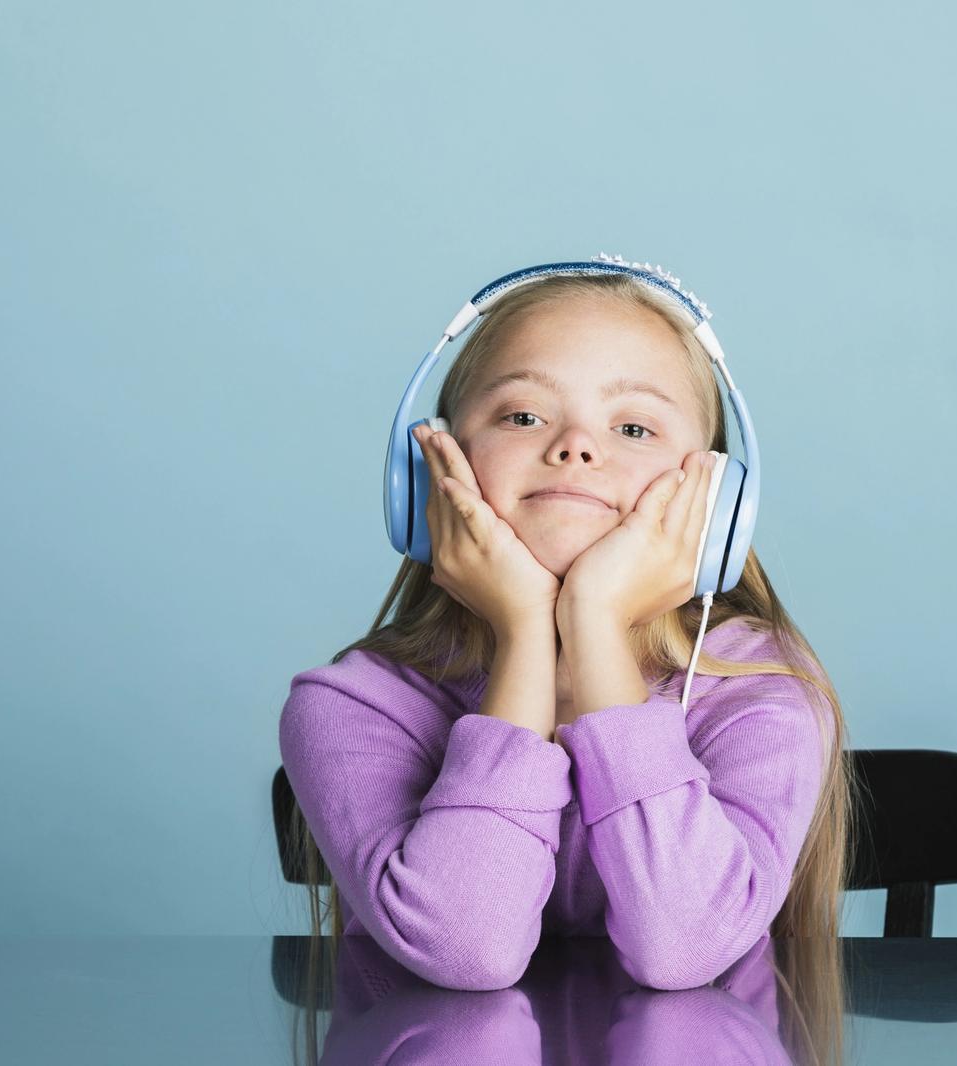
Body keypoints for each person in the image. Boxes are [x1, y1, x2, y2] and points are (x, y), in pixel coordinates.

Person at [279, 263, 852, 993]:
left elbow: (684, 946)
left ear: (716, 502)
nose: (576, 447)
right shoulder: (353, 705)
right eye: (523, 416)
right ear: (432, 467)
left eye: (634, 427)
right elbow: (468, 947)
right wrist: (525, 632)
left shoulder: (761, 692)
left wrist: (595, 621)